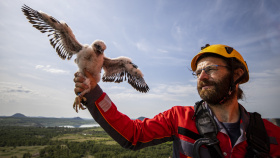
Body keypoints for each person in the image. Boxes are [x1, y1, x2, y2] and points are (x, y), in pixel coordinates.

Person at [73, 44, 280, 158]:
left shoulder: (271, 134)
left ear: (237, 74)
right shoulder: (180, 118)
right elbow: (133, 135)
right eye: (198, 72)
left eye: (210, 69)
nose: (201, 77)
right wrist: (93, 92)